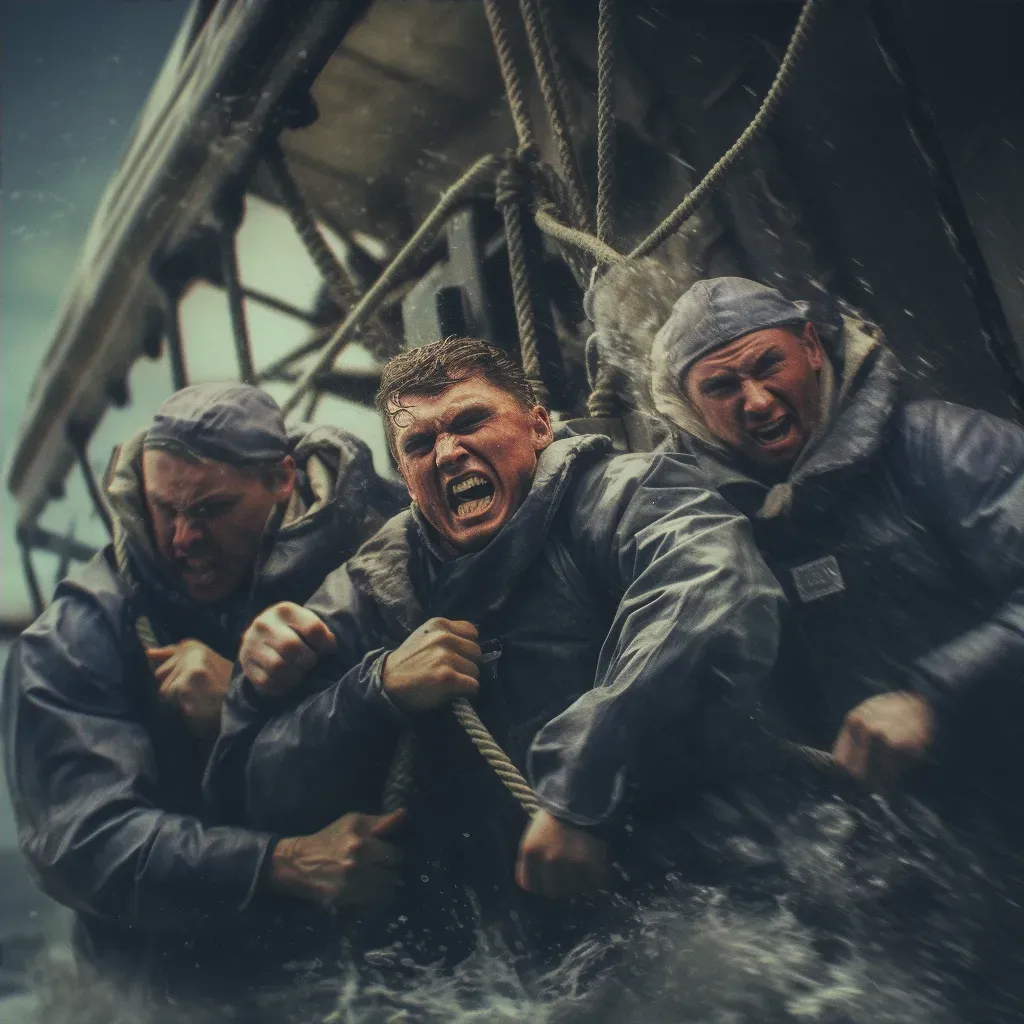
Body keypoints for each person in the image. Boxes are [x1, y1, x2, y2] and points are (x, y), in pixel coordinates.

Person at [205, 337, 785, 966]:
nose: (449, 453)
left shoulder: (624, 494)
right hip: (514, 953)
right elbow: (245, 785)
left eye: (471, 421)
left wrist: (580, 790)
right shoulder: (374, 586)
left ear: (538, 425)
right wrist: (379, 691)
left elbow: (717, 585)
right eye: (420, 444)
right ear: (403, 474)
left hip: (713, 904)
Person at [1, 383, 409, 1005]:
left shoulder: (386, 556)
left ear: (283, 480)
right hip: (167, 994)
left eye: (212, 509)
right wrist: (284, 862)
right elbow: (82, 843)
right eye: (165, 508)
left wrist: (241, 707)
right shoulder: (75, 637)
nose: (183, 539)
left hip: (371, 974)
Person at [647, 276, 1024, 804]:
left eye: (767, 366)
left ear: (810, 346)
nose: (755, 401)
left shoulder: (940, 445)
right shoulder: (697, 529)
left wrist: (934, 696)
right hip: (881, 838)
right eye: (721, 387)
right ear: (689, 407)